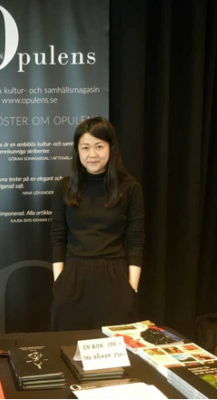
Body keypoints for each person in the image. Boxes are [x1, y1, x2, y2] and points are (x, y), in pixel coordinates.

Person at [51, 117, 144, 331]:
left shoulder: (130, 188)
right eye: (85, 147)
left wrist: (132, 288)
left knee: (115, 346)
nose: (92, 154)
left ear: (111, 147)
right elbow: (58, 237)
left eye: (99, 146)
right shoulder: (64, 188)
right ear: (77, 151)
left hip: (115, 278)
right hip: (73, 279)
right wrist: (59, 282)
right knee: (68, 345)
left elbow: (136, 239)